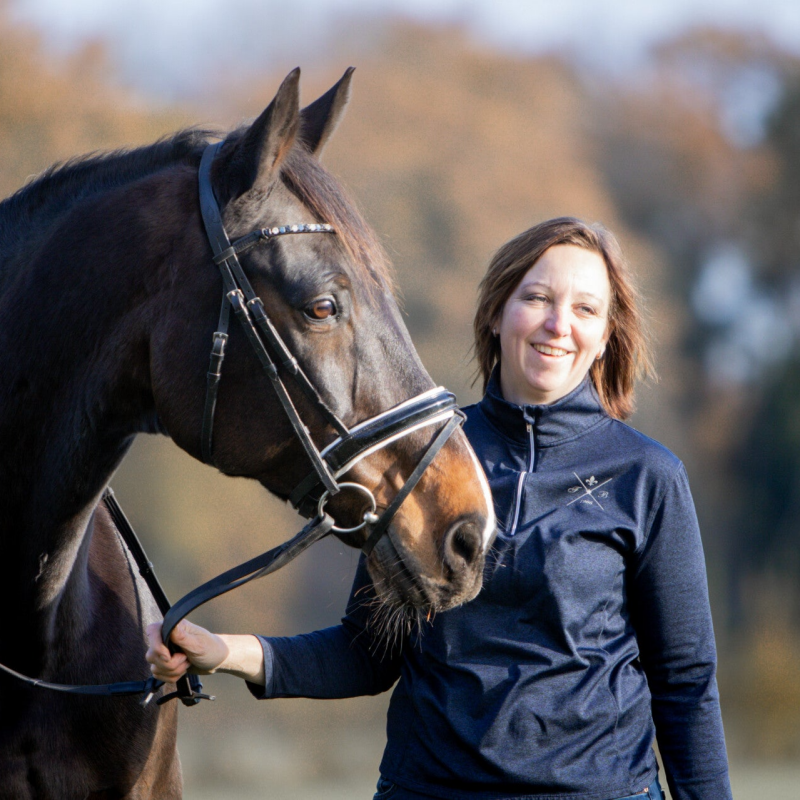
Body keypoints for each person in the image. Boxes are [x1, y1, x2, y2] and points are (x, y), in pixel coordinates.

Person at [147, 217, 732, 800]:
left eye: (585, 309)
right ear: (496, 313)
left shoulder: (647, 475)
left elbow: (684, 681)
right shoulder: (425, 458)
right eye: (537, 298)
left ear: (605, 336)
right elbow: (366, 653)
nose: (559, 324)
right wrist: (224, 653)